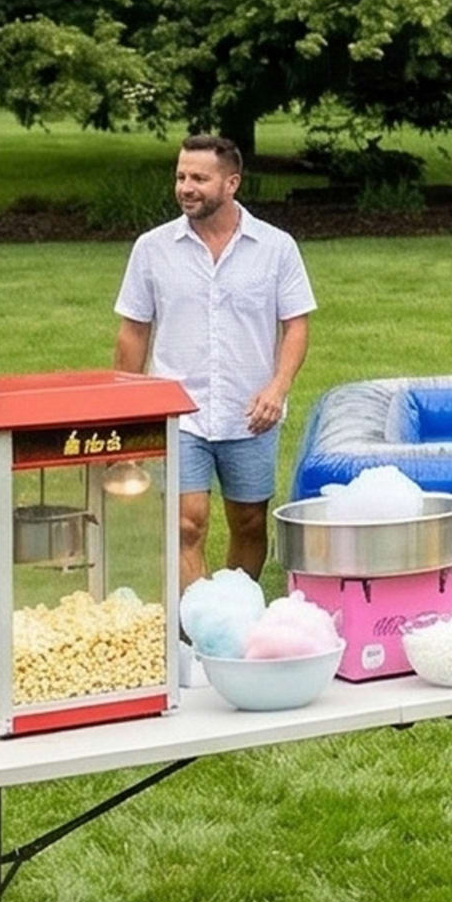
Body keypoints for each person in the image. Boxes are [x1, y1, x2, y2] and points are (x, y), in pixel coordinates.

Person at [111, 134, 314, 584]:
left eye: (199, 178)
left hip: (251, 413)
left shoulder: (276, 247)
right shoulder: (152, 248)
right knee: (188, 523)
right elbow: (133, 331)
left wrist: (277, 388)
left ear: (231, 183)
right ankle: (195, 633)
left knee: (248, 523)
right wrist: (126, 412)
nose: (186, 186)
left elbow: (296, 326)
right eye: (181, 176)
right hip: (179, 414)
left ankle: (234, 615)